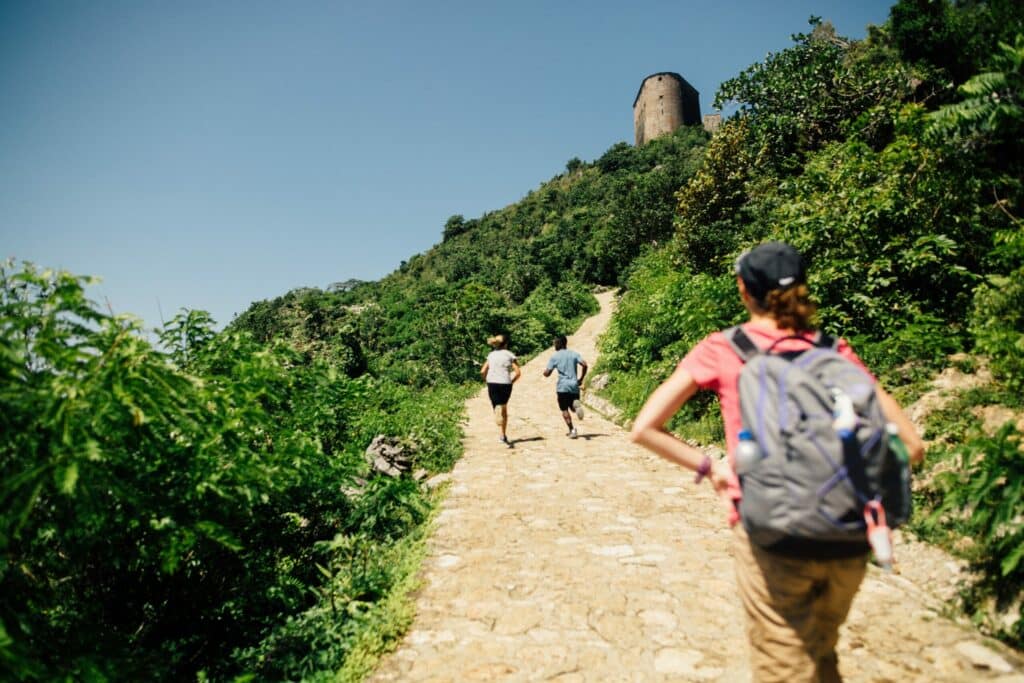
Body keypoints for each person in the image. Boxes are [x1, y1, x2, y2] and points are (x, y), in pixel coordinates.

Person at [628, 241, 924, 683]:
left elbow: (644, 427)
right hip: (849, 534)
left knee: (784, 665)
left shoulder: (724, 348)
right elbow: (911, 444)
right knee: (820, 651)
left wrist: (714, 469)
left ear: (743, 289)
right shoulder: (832, 349)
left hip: (772, 532)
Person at [543, 335, 588, 439]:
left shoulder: (555, 356)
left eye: (555, 343)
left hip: (562, 386)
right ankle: (575, 406)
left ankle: (572, 430)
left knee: (564, 409)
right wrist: (581, 379)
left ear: (560, 344)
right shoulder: (574, 354)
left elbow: (547, 373)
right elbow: (584, 364)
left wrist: (545, 373)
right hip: (574, 385)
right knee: (573, 403)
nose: (554, 345)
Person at [480, 334, 521, 446]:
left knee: (497, 406)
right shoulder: (509, 354)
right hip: (505, 383)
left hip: (492, 383)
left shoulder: (491, 355)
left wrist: (487, 381)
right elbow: (518, 373)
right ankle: (503, 435)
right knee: (504, 408)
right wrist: (511, 382)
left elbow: (482, 371)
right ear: (506, 344)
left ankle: (497, 409)